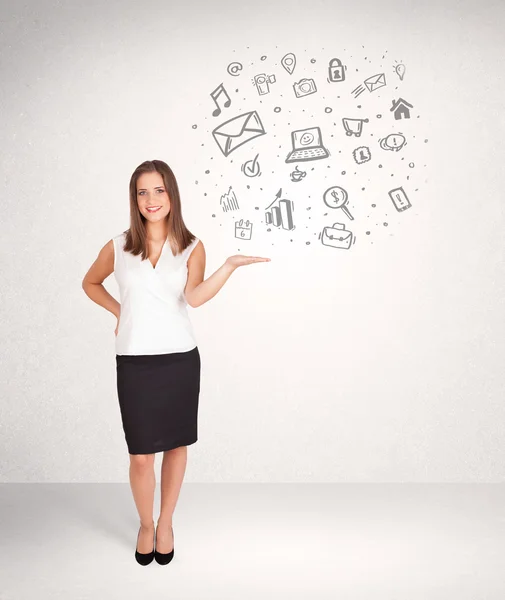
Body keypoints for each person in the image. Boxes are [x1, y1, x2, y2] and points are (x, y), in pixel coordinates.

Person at [81, 159, 270, 565]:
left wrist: (230, 266)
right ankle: (145, 524)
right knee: (140, 455)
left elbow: (195, 298)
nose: (151, 199)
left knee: (177, 445)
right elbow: (90, 283)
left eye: (159, 190)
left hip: (179, 360)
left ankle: (165, 522)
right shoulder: (118, 246)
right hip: (134, 362)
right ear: (134, 199)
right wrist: (120, 312)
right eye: (142, 192)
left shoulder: (192, 246)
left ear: (172, 194)